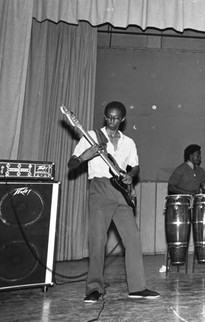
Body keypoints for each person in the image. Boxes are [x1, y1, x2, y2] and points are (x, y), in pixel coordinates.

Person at [68, 101, 159, 303]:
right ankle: (94, 289)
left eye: (116, 117)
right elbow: (71, 163)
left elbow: (135, 166)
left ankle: (137, 287)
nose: (112, 121)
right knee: (97, 241)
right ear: (105, 117)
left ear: (123, 119)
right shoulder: (91, 136)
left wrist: (130, 175)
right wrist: (85, 156)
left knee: (133, 238)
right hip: (100, 190)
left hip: (121, 193)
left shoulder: (129, 142)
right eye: (108, 117)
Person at [167, 144, 205, 270]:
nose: (200, 157)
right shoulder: (181, 169)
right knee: (178, 234)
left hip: (196, 205)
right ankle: (167, 263)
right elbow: (171, 187)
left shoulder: (200, 171)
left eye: (200, 154)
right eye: (197, 154)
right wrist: (186, 194)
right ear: (190, 156)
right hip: (181, 206)